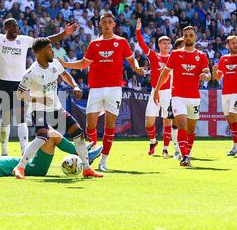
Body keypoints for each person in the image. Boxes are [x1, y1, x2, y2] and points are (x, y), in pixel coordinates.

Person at [0, 4, 79, 156]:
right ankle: (4, 152)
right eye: (13, 26)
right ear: (5, 28)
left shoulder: (24, 40)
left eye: (17, 25)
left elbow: (45, 40)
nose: (17, 27)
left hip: (21, 83)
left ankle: (24, 151)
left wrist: (64, 33)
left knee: (22, 117)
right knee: (6, 119)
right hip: (3, 82)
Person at [59, 12, 145, 171]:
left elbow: (132, 60)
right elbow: (84, 63)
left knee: (110, 125)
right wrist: (65, 63)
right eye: (104, 22)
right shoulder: (94, 44)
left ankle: (103, 162)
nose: (107, 24)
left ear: (114, 25)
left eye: (109, 22)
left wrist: (137, 68)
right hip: (96, 88)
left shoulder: (122, 42)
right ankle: (91, 154)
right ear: (100, 24)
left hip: (114, 89)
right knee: (90, 125)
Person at [13, 37, 103, 179]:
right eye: (49, 49)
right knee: (42, 136)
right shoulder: (31, 73)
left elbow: (65, 74)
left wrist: (75, 86)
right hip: (39, 109)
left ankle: (86, 168)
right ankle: (20, 167)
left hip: (57, 108)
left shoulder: (55, 63)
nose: (52, 51)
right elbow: (20, 94)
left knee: (78, 132)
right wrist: (38, 99)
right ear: (40, 52)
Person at [153, 26, 211, 167]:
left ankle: (187, 153)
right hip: (178, 96)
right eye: (185, 35)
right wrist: (157, 90)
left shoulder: (201, 56)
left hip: (194, 97)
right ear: (182, 37)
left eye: (191, 35)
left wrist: (206, 76)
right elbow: (165, 73)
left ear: (195, 37)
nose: (188, 37)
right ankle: (184, 155)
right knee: (182, 124)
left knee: (191, 129)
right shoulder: (175, 54)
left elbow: (208, 74)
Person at [0, 134, 103, 177]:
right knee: (51, 137)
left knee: (49, 135)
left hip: (31, 162)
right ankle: (84, 154)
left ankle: (83, 153)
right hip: (34, 168)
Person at [136, 18, 174, 157]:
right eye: (164, 43)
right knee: (149, 122)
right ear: (159, 44)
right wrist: (138, 30)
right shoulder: (154, 56)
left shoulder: (173, 57)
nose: (167, 45)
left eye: (168, 43)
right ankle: (153, 141)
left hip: (168, 93)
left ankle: (165, 148)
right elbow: (141, 44)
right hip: (154, 92)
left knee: (167, 121)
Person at [212, 35, 237, 156]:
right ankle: (235, 145)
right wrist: (214, 71)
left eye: (236, 42)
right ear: (228, 45)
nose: (235, 45)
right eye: (233, 43)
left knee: (232, 116)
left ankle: (235, 146)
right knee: (229, 119)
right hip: (226, 92)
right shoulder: (223, 59)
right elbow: (218, 78)